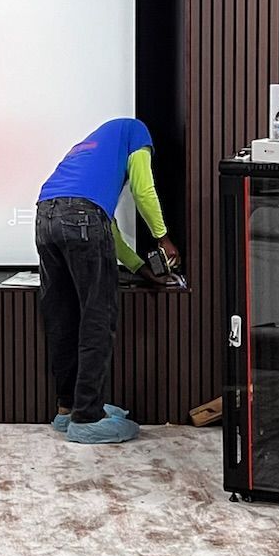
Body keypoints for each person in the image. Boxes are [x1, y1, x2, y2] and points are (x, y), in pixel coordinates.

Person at [35, 116, 179, 445]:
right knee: (97, 317)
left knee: (64, 318)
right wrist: (164, 238)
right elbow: (143, 189)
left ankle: (68, 409)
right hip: (83, 217)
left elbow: (105, 227)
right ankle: (88, 417)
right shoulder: (136, 132)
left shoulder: (86, 153)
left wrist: (141, 268)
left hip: (45, 215)